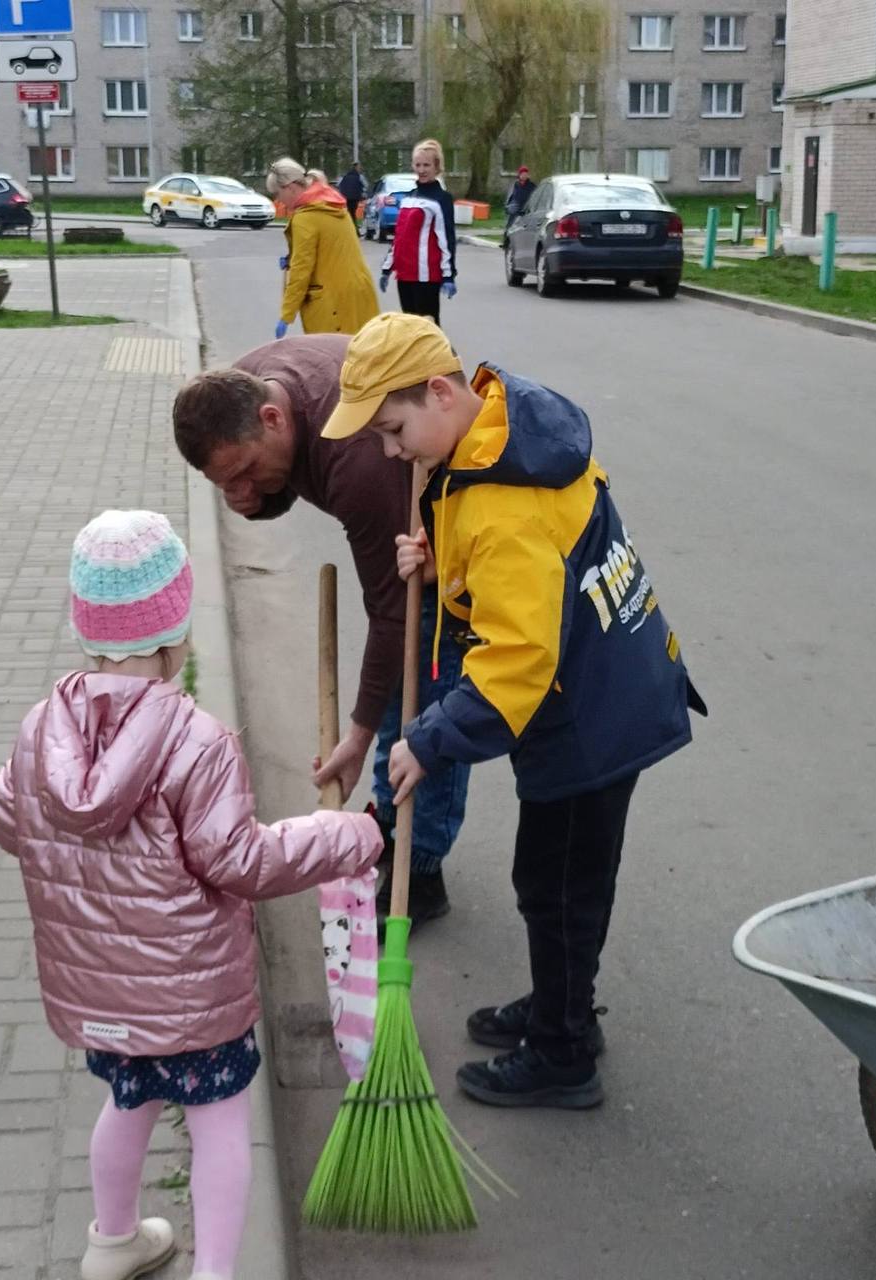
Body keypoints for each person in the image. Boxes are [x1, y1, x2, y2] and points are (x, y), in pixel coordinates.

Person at [320, 313, 707, 1109]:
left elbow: (519, 656)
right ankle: (558, 1002)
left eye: (395, 431)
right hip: (610, 690)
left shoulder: (504, 505)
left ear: (438, 392)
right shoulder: (498, 431)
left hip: (588, 719)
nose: (393, 453)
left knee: (558, 885)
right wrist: (435, 549)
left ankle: (565, 1050)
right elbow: (514, 563)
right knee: (561, 879)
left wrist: (428, 739)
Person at [0, 509, 381, 1280]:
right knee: (220, 1121)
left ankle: (112, 1240)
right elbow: (241, 863)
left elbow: (8, 821)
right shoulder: (197, 741)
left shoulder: (41, 728)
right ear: (175, 633)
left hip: (99, 987)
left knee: (127, 1105)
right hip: (193, 995)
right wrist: (348, 837)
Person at [172, 339, 470, 931]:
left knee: (424, 700)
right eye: (223, 482)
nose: (239, 489)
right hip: (391, 513)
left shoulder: (357, 461)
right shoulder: (247, 382)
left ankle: (423, 861)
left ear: (273, 418)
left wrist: (355, 740)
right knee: (390, 692)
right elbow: (274, 492)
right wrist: (250, 497)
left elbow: (394, 614)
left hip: (444, 537)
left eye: (245, 472)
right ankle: (389, 818)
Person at [265, 156, 377, 340]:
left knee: (335, 362)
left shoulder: (305, 218)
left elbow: (302, 271)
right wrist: (291, 257)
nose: (278, 201)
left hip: (331, 304)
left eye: (278, 194)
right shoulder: (333, 204)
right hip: (359, 293)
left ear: (291, 188)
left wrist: (286, 315)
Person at [379, 139, 457, 327]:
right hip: (405, 274)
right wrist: (387, 269)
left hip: (426, 276)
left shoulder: (442, 199)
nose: (421, 170)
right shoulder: (408, 198)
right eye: (418, 165)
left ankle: (445, 357)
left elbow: (446, 239)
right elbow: (399, 238)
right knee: (409, 329)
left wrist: (448, 275)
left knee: (428, 330)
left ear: (437, 167)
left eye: (427, 165)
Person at [504, 165, 537, 240]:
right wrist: (508, 205)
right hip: (516, 206)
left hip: (526, 208)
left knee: (526, 225)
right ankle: (506, 240)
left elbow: (535, 196)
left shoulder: (531, 185)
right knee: (510, 223)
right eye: (522, 174)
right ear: (519, 175)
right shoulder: (516, 184)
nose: (524, 176)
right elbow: (511, 196)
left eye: (526, 174)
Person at [336, 161, 367, 229]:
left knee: (349, 212)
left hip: (345, 198)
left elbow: (338, 185)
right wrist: (363, 194)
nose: (360, 169)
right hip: (355, 198)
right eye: (359, 167)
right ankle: (353, 228)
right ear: (357, 167)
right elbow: (365, 186)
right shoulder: (360, 177)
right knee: (352, 212)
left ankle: (349, 227)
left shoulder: (344, 176)